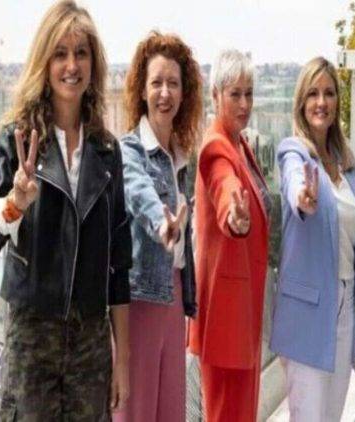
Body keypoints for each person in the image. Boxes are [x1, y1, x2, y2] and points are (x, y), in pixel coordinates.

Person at [0, 1, 131, 419]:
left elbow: (119, 266)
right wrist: (15, 205)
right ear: (44, 61)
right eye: (60, 53)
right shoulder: (16, 140)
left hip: (91, 348)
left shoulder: (107, 152)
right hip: (33, 344)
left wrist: (122, 359)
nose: (71, 65)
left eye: (81, 52)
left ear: (94, 61)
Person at [270, 56, 355, 421]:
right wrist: (303, 197)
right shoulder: (292, 151)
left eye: (329, 93)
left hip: (345, 307)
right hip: (308, 313)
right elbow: (296, 181)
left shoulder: (345, 162)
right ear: (301, 102)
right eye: (313, 93)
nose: (321, 102)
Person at [114, 31, 203, 422]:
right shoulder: (129, 149)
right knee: (136, 411)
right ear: (142, 90)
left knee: (171, 413)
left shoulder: (181, 156)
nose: (164, 93)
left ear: (184, 93)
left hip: (173, 299)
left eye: (173, 83)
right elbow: (138, 191)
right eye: (156, 83)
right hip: (141, 301)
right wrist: (163, 223)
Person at [188, 49, 272, 422]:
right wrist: (234, 216)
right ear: (215, 96)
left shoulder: (242, 144)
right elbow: (224, 185)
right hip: (225, 322)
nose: (244, 103)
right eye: (234, 94)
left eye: (249, 93)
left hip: (244, 317)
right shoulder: (216, 146)